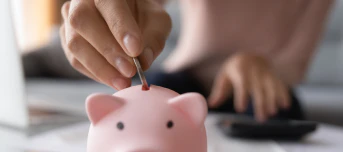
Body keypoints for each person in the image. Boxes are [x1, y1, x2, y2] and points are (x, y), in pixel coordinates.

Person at [59, 0, 334, 122]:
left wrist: (261, 65)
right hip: (186, 78)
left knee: (278, 109)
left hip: (265, 85)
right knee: (158, 90)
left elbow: (298, 58)